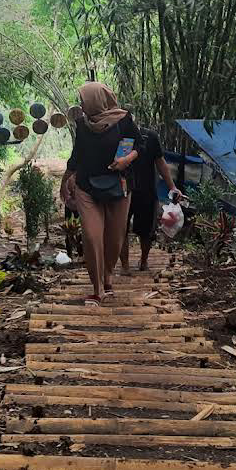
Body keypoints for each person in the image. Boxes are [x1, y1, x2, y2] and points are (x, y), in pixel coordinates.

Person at [60, 81, 140, 305]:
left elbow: (138, 145)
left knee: (115, 237)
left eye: (84, 101)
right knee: (91, 235)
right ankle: (97, 289)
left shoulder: (123, 120)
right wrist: (65, 181)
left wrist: (126, 159)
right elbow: (77, 156)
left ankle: (108, 275)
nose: (82, 106)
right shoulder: (82, 124)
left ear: (97, 100)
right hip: (87, 186)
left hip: (119, 185)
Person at [120, 127, 180, 273]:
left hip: (146, 189)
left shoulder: (150, 136)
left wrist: (172, 187)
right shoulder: (120, 136)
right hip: (124, 190)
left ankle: (143, 261)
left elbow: (160, 162)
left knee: (146, 230)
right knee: (121, 228)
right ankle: (125, 265)